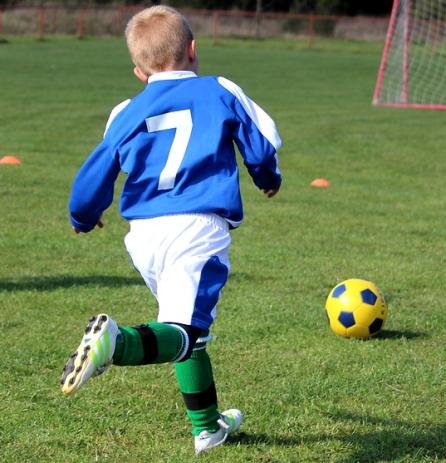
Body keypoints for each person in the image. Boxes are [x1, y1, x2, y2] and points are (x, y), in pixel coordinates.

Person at [61, 5, 282, 454]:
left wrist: (84, 215)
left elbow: (96, 171)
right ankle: (115, 343)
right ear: (194, 50)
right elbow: (260, 145)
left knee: (184, 327)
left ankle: (208, 427)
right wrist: (267, 179)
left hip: (142, 235)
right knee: (186, 331)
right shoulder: (219, 88)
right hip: (197, 228)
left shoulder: (125, 110)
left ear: (139, 71)